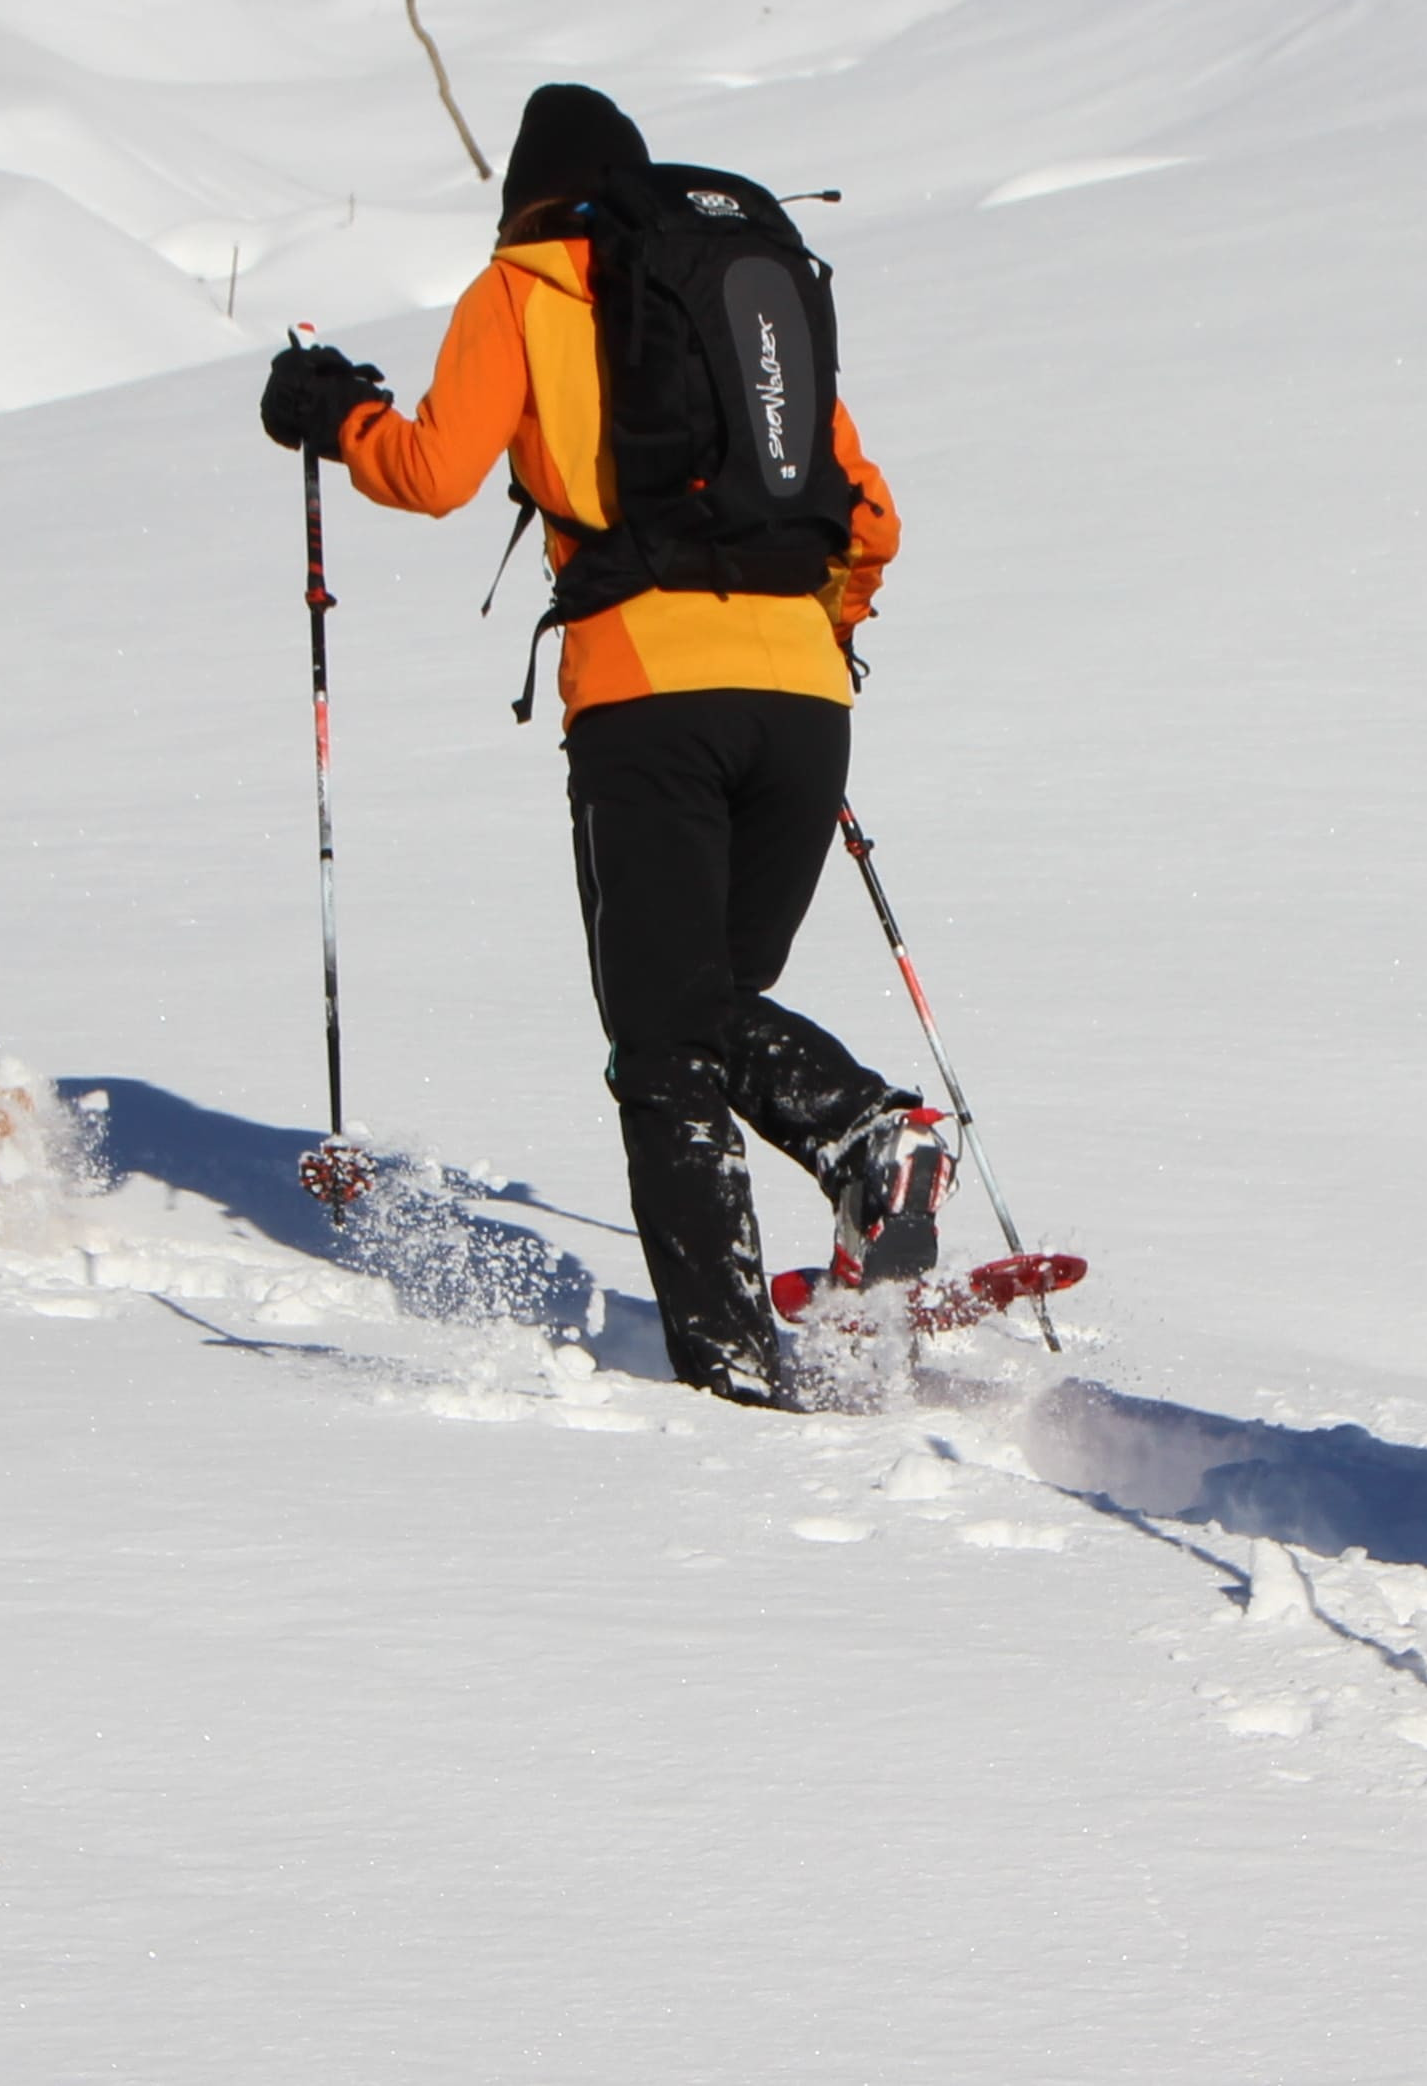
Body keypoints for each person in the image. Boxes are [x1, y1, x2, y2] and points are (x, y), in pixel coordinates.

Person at [258, 81, 945, 1409]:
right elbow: (869, 521)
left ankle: (800, 1249)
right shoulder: (748, 293)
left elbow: (431, 470)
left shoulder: (521, 283)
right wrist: (816, 637)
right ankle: (830, 1201)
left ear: (523, 192)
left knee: (661, 1033)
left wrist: (332, 412)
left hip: (643, 695)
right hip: (804, 703)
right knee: (708, 1003)